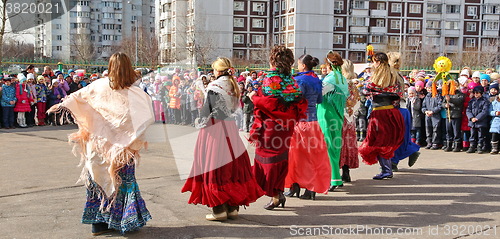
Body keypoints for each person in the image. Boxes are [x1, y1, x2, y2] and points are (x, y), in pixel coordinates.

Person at [47, 53, 154, 235]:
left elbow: (75, 99)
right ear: (129, 68)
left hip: (97, 145)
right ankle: (123, 222)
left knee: (98, 180)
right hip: (122, 149)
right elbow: (147, 118)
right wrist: (129, 136)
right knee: (121, 182)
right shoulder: (136, 93)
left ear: (110, 67)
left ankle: (98, 224)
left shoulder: (97, 86)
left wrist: (63, 108)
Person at [181, 57, 264, 221]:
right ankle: (232, 208)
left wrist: (200, 121)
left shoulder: (215, 86)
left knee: (214, 166)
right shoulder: (233, 85)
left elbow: (206, 111)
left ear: (218, 71)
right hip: (230, 127)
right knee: (232, 166)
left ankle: (219, 210)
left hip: (215, 128)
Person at [249, 46, 307, 210]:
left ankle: (276, 194)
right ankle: (278, 192)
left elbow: (269, 103)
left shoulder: (269, 78)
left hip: (271, 125)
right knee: (281, 158)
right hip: (286, 126)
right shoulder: (291, 79)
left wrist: (254, 98)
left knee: (267, 159)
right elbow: (296, 100)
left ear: (273, 60)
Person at [284, 54, 331, 200]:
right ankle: (307, 187)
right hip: (314, 122)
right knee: (312, 157)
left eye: (298, 64)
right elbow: (319, 100)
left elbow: (293, 100)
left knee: (295, 157)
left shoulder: (299, 80)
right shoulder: (317, 79)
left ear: (303, 65)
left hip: (300, 122)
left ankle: (296, 185)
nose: (297, 66)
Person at [358, 52, 405, 180]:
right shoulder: (394, 75)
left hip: (380, 113)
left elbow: (366, 89)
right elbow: (399, 93)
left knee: (379, 141)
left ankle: (386, 170)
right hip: (392, 111)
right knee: (387, 141)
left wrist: (375, 92)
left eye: (374, 61)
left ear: (377, 62)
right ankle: (387, 168)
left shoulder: (376, 76)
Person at [317, 51, 348, 190]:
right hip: (338, 115)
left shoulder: (329, 79)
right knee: (335, 147)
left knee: (328, 146)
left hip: (326, 115)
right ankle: (336, 177)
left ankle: (333, 179)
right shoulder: (342, 79)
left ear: (328, 65)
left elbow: (319, 95)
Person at [339, 59, 361, 183]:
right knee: (348, 144)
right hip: (350, 118)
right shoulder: (353, 85)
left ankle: (336, 173)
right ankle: (346, 171)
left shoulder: (341, 83)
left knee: (338, 143)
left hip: (340, 116)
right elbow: (357, 101)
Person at [466, 86, 490, 154]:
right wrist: (471, 118)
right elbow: (468, 110)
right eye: (474, 93)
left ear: (481, 93)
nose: (476, 94)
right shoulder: (472, 101)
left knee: (481, 135)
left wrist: (477, 118)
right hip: (472, 121)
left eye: (477, 93)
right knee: (472, 134)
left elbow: (484, 111)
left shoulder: (484, 101)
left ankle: (480, 146)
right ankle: (472, 146)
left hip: (481, 121)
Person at [422, 80, 443, 150]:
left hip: (435, 116)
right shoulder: (427, 97)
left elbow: (440, 106)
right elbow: (423, 106)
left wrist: (433, 111)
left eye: (431, 88)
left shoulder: (437, 96)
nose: (429, 89)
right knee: (428, 129)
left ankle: (435, 142)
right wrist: (425, 111)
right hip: (428, 115)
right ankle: (429, 142)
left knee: (436, 129)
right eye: (428, 88)